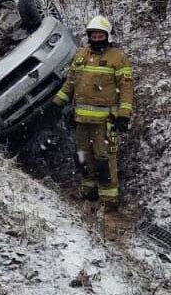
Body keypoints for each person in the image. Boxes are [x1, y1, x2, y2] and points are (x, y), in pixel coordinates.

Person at [52, 15, 134, 208]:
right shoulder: (81, 55)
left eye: (100, 35)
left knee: (103, 159)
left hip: (104, 122)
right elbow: (70, 82)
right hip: (80, 120)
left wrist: (123, 115)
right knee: (82, 156)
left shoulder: (118, 57)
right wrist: (57, 103)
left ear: (107, 36)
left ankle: (108, 200)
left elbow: (126, 88)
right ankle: (88, 191)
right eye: (93, 36)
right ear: (89, 36)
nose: (96, 39)